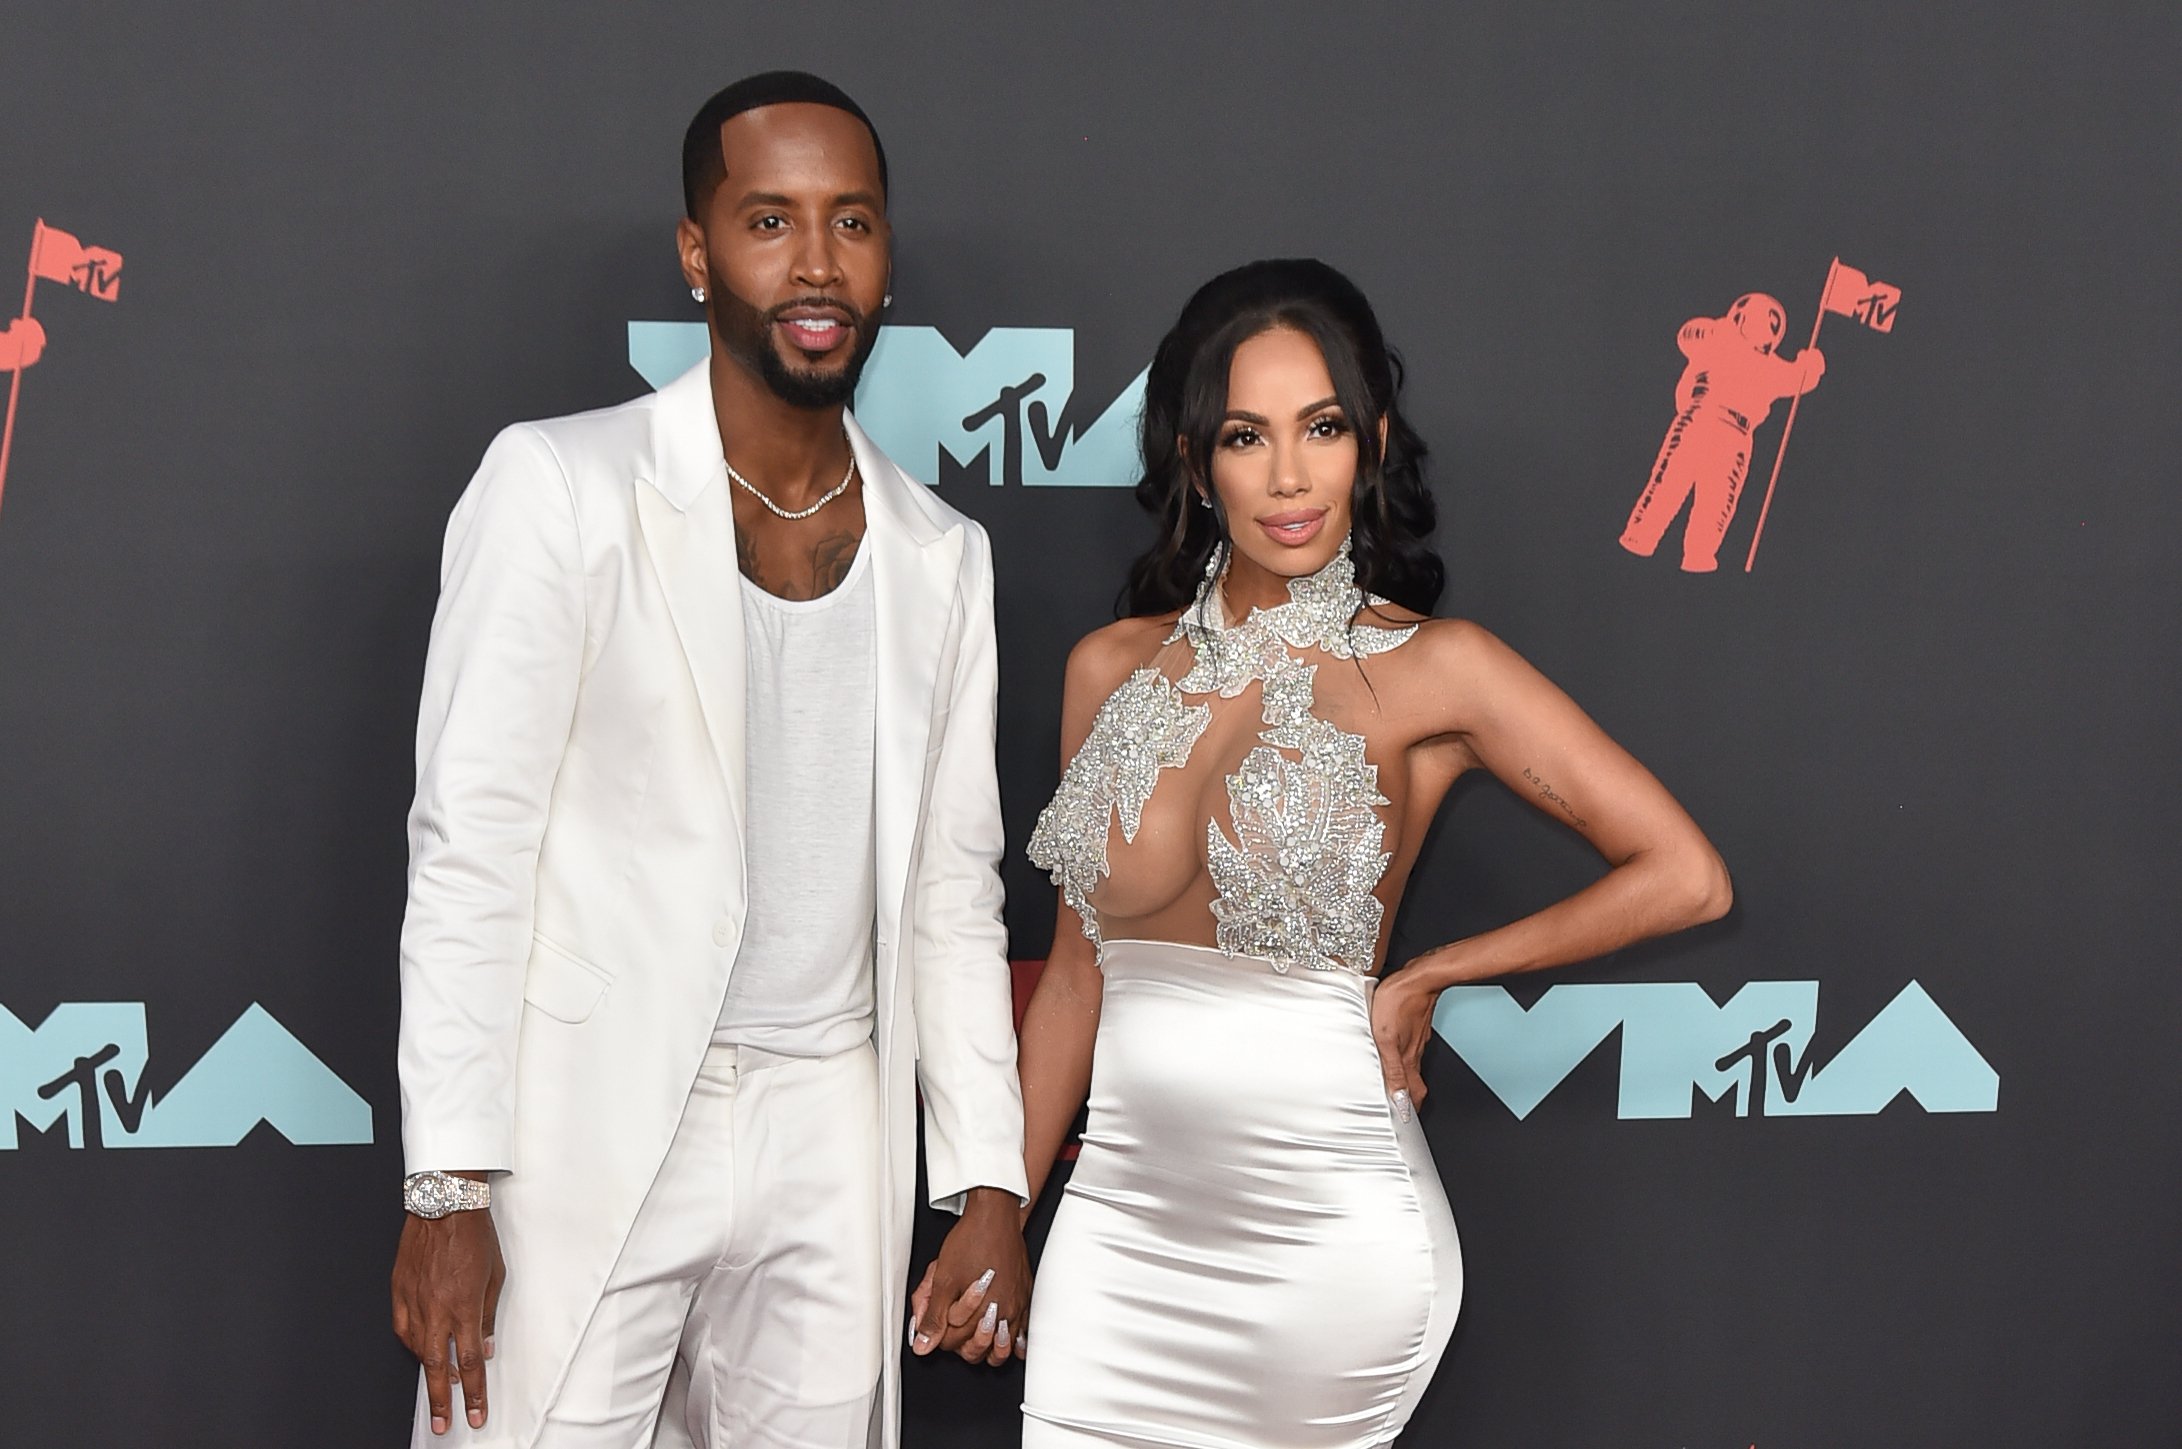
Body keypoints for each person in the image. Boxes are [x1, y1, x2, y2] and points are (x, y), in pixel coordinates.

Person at [389, 71, 1029, 1449]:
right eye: (768, 221)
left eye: (850, 223)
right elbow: (471, 849)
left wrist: (987, 1175)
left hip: (830, 1129)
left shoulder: (942, 555)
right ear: (696, 253)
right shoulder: (558, 488)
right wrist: (449, 1190)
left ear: (886, 256)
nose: (815, 264)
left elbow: (951, 894)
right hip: (594, 1122)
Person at [998, 258, 1730, 1447]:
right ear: (1195, 461)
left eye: (1321, 428)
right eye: (1246, 436)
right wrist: (1000, 1212)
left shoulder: (1432, 671)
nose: (1289, 477)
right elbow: (1077, 978)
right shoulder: (1107, 669)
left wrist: (1432, 972)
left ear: (1370, 441)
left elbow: (1684, 874)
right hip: (1116, 1239)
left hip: (1325, 1247)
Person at [1618, 291, 1826, 573]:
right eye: (1757, 317)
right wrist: (1808, 366)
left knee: (1716, 501)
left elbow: (1799, 379)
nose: (1761, 326)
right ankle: (1642, 537)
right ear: (1739, 315)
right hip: (1700, 417)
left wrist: (1810, 364)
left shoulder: (1769, 366)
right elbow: (1687, 336)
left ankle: (1697, 556)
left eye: (1769, 323)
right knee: (1672, 481)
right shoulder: (1718, 337)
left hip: (1735, 434)